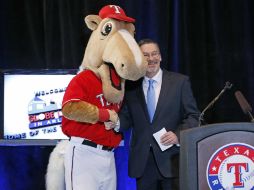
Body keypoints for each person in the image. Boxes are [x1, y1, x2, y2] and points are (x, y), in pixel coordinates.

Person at [112, 38, 200, 190]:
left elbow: (194, 116)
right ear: (139, 58)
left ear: (160, 56)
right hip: (143, 162)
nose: (151, 59)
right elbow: (126, 118)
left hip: (172, 160)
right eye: (145, 55)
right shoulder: (131, 86)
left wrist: (178, 135)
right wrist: (114, 121)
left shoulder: (180, 82)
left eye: (154, 54)